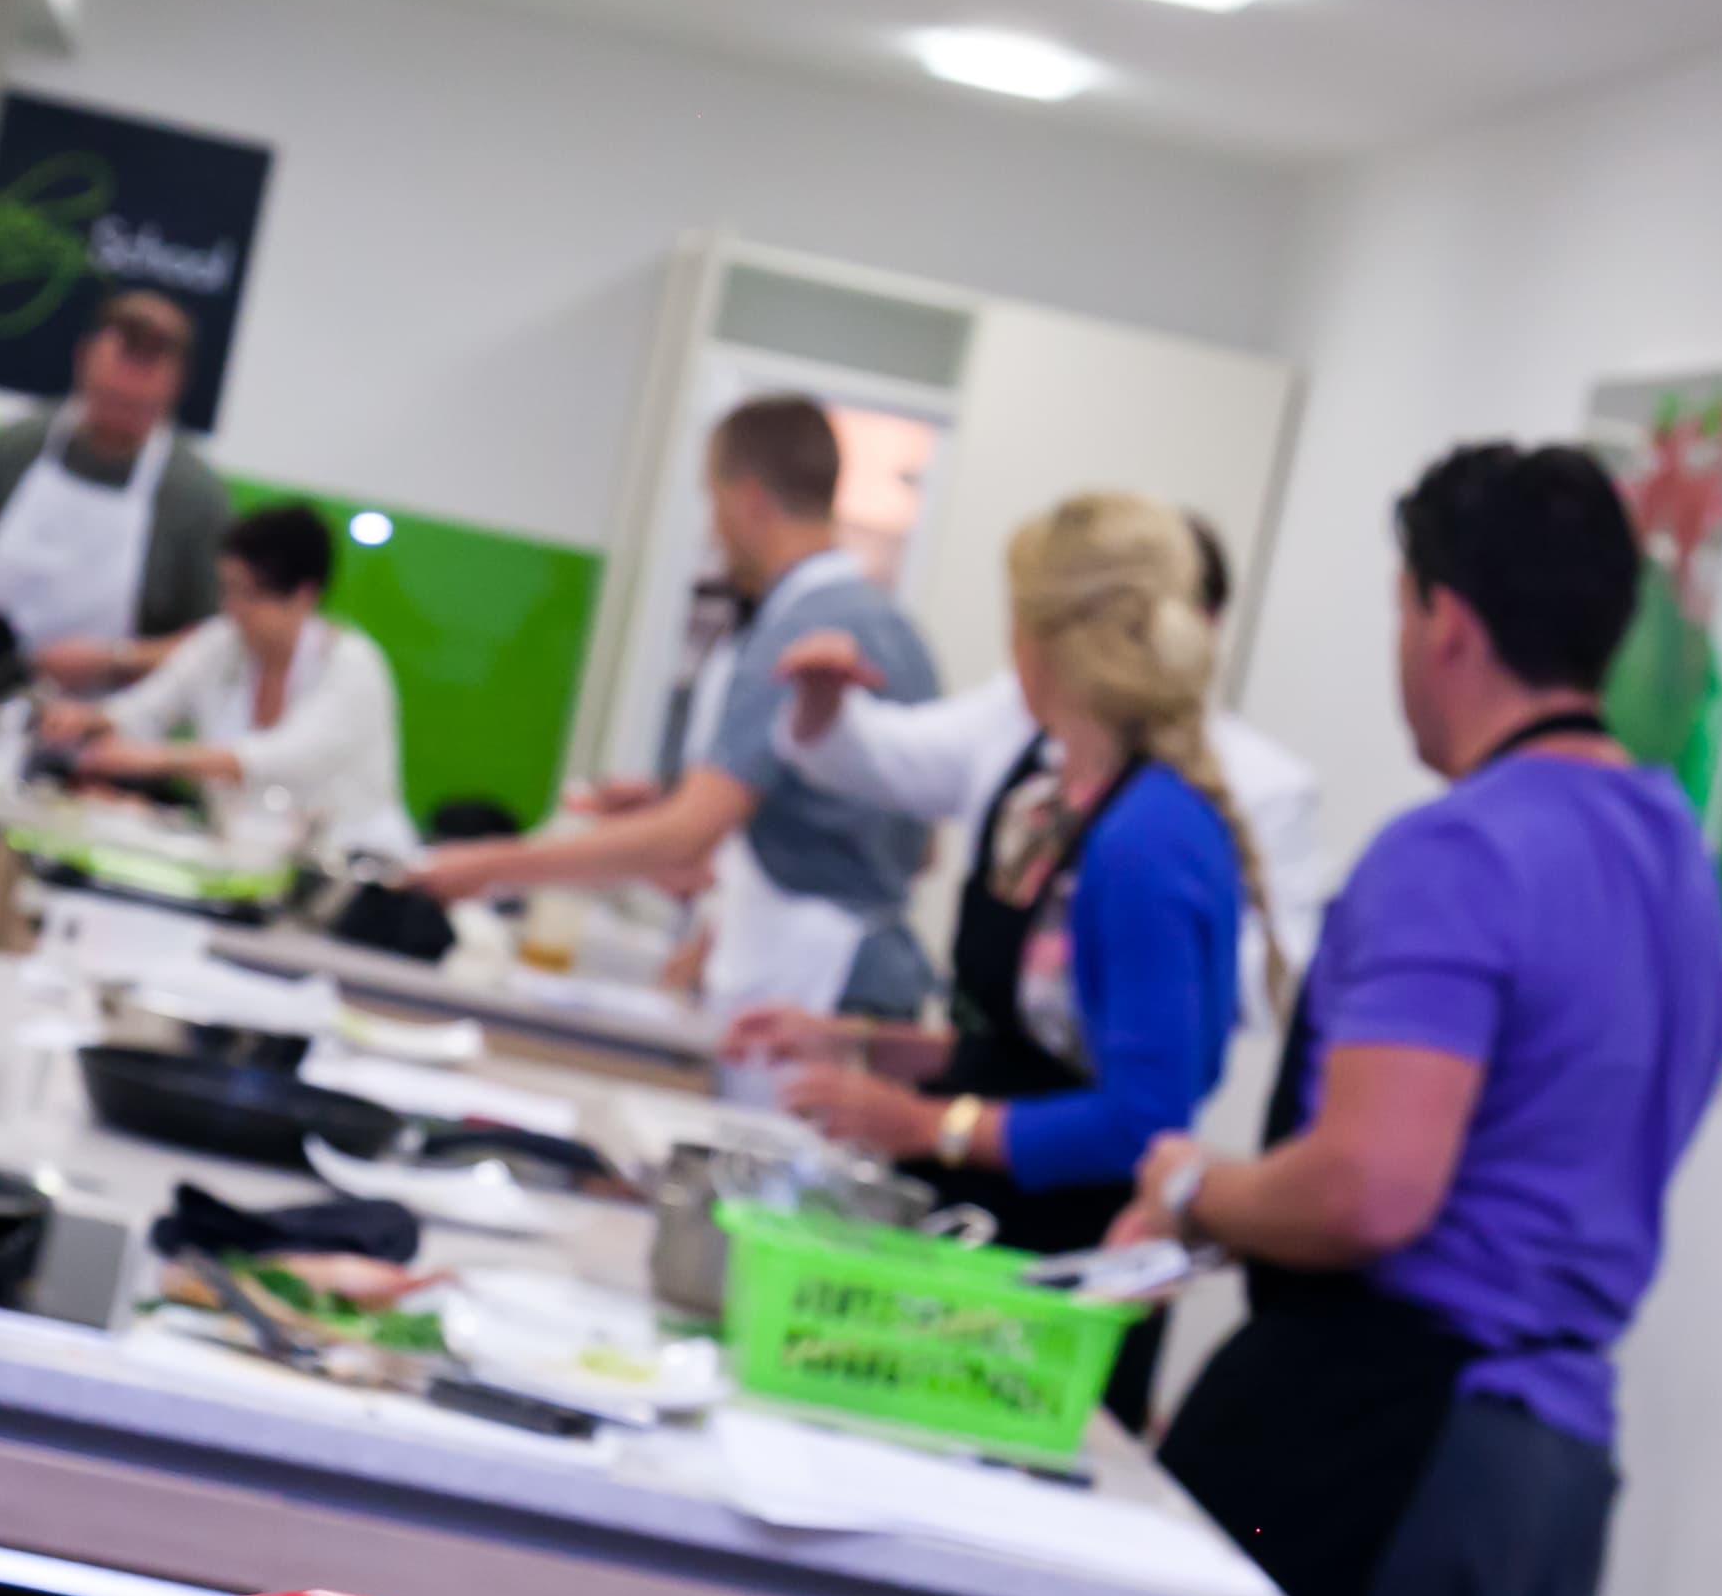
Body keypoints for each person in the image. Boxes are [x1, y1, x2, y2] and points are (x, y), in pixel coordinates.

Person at [1113, 442, 1722, 1596]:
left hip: (1383, 1435)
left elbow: (1377, 1184)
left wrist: (1197, 1187)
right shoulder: (1672, 851)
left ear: (1444, 619)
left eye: (1399, 606)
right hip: (1550, 1460)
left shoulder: (1459, 854)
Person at [724, 494, 1280, 1254]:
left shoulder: (1150, 839)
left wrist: (924, 1124)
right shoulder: (1050, 799)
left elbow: (1144, 1121)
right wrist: (859, 1040)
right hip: (983, 1222)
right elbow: (1029, 1050)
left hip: (1064, 1251)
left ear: (1044, 641)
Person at [413, 392, 942, 1020]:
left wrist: (490, 864)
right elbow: (918, 847)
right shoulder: (899, 634)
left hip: (814, 987)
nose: (713, 531)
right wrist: (680, 806)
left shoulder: (796, 634)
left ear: (749, 501)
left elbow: (687, 837)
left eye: (712, 504)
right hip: (876, 980)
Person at [774, 508, 1333, 999]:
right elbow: (882, 760)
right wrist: (825, 707)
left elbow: (1268, 980)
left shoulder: (1197, 810)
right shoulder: (1021, 737)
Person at [43, 498, 416, 859]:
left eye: (251, 595)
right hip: (246, 856)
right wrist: (92, 718)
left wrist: (160, 758)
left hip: (350, 866)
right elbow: (148, 708)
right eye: (228, 590)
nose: (234, 608)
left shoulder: (353, 665)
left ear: (304, 596)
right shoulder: (221, 641)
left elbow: (283, 757)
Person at [0, 286, 229, 696]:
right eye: (108, 396)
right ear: (82, 361)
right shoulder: (20, 445)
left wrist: (115, 659)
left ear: (174, 387)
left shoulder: (195, 496)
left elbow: (217, 643)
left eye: (137, 405)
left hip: (105, 733)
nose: (118, 414)